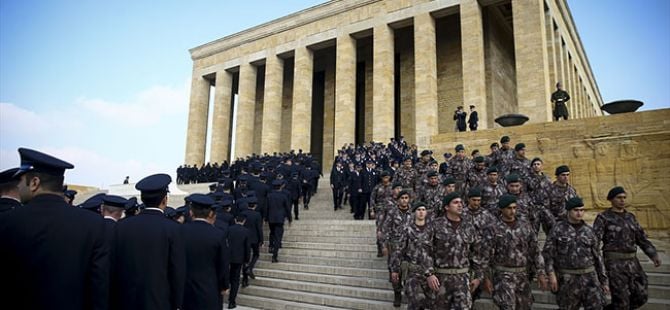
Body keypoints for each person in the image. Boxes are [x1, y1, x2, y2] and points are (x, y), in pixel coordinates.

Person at [0, 148, 109, 310]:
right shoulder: (94, 224)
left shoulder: (7, 221)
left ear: (35, 183)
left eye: (21, 181)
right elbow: (99, 287)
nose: (18, 186)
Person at [113, 173, 186, 309]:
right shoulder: (173, 229)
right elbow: (177, 271)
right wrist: (177, 303)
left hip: (124, 300)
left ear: (142, 198)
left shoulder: (121, 226)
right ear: (165, 199)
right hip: (158, 301)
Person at [593, 186, 662, 309]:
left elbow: (641, 238)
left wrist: (653, 254)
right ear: (611, 199)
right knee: (621, 300)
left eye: (624, 198)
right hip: (614, 265)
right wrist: (598, 265)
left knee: (642, 295)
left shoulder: (631, 217)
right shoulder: (603, 218)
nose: (622, 200)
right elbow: (595, 242)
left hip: (633, 263)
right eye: (619, 198)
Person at [543, 197, 609, 309]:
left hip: (590, 279)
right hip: (568, 279)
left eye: (582, 210)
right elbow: (548, 254)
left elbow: (598, 257)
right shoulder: (557, 229)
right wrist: (551, 274)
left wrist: (604, 281)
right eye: (576, 210)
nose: (579, 213)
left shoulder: (589, 231)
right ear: (568, 211)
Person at [483, 194, 547, 309]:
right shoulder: (493, 228)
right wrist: (486, 278)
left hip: (522, 276)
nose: (512, 211)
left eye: (514, 207)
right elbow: (485, 255)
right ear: (501, 209)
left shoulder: (525, 226)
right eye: (509, 208)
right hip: (503, 277)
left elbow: (535, 251)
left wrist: (541, 273)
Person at [425, 192, 485, 309]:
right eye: (456, 202)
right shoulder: (435, 225)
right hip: (441, 279)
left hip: (462, 279)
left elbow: (477, 252)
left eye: (461, 203)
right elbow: (425, 251)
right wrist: (429, 274)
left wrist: (478, 277)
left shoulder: (468, 226)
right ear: (446, 207)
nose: (460, 205)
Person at [181, 193, 230, 310]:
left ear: (191, 212)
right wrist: (224, 285)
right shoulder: (218, 235)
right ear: (210, 213)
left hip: (184, 290)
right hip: (209, 290)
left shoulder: (179, 231)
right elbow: (223, 264)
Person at [390, 201, 434, 309]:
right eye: (418, 210)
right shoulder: (407, 230)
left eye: (423, 210)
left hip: (430, 272)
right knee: (413, 302)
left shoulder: (432, 230)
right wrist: (395, 269)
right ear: (414, 213)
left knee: (433, 302)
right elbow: (399, 250)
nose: (421, 212)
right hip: (412, 271)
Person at [380, 190, 414, 307]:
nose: (404, 200)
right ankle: (397, 293)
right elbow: (385, 229)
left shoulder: (413, 213)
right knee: (394, 272)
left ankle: (410, 293)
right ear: (398, 200)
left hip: (410, 248)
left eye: (406, 198)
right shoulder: (392, 213)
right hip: (395, 247)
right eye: (402, 198)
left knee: (411, 271)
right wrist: (384, 245)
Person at [227, 215, 250, 309]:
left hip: (227, 257)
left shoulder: (229, 229)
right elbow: (247, 247)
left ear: (235, 220)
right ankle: (231, 301)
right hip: (238, 258)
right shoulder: (246, 231)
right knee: (235, 280)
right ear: (244, 221)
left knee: (226, 276)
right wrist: (247, 260)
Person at [267, 179, 292, 262]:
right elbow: (287, 208)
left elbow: (266, 207)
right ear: (281, 186)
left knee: (272, 232)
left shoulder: (269, 196)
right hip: (280, 219)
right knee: (278, 238)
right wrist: (289, 218)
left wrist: (265, 217)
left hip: (271, 218)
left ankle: (270, 246)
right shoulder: (283, 196)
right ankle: (274, 255)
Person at [240, 196, 263, 285]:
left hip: (244, 238)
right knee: (256, 254)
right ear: (255, 206)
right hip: (254, 238)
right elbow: (259, 228)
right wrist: (261, 240)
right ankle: (250, 267)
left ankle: (245, 280)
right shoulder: (257, 214)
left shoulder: (243, 213)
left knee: (245, 258)